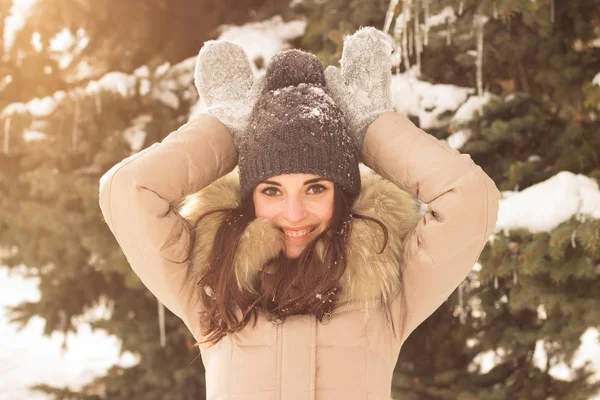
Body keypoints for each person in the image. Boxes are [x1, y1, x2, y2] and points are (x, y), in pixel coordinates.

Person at [99, 27, 500, 400]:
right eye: (271, 190)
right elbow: (127, 191)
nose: (294, 213)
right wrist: (226, 129)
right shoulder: (211, 283)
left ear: (342, 194)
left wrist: (371, 129)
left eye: (316, 188)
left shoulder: (387, 285)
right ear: (249, 199)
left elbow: (469, 197)